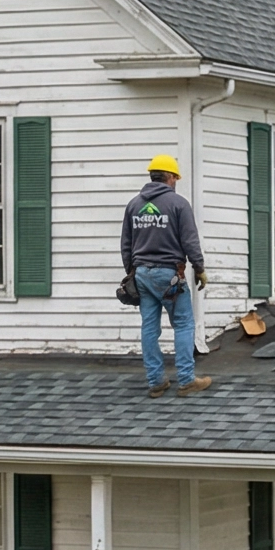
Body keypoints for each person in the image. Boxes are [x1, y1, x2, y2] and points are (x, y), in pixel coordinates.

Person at [120, 154, 211, 396]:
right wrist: (199, 268)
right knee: (182, 324)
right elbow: (190, 241)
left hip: (141, 274)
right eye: (175, 178)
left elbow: (126, 244)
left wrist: (131, 272)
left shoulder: (134, 205)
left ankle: (156, 381)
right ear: (170, 177)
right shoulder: (178, 204)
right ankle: (186, 380)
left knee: (149, 327)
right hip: (169, 275)